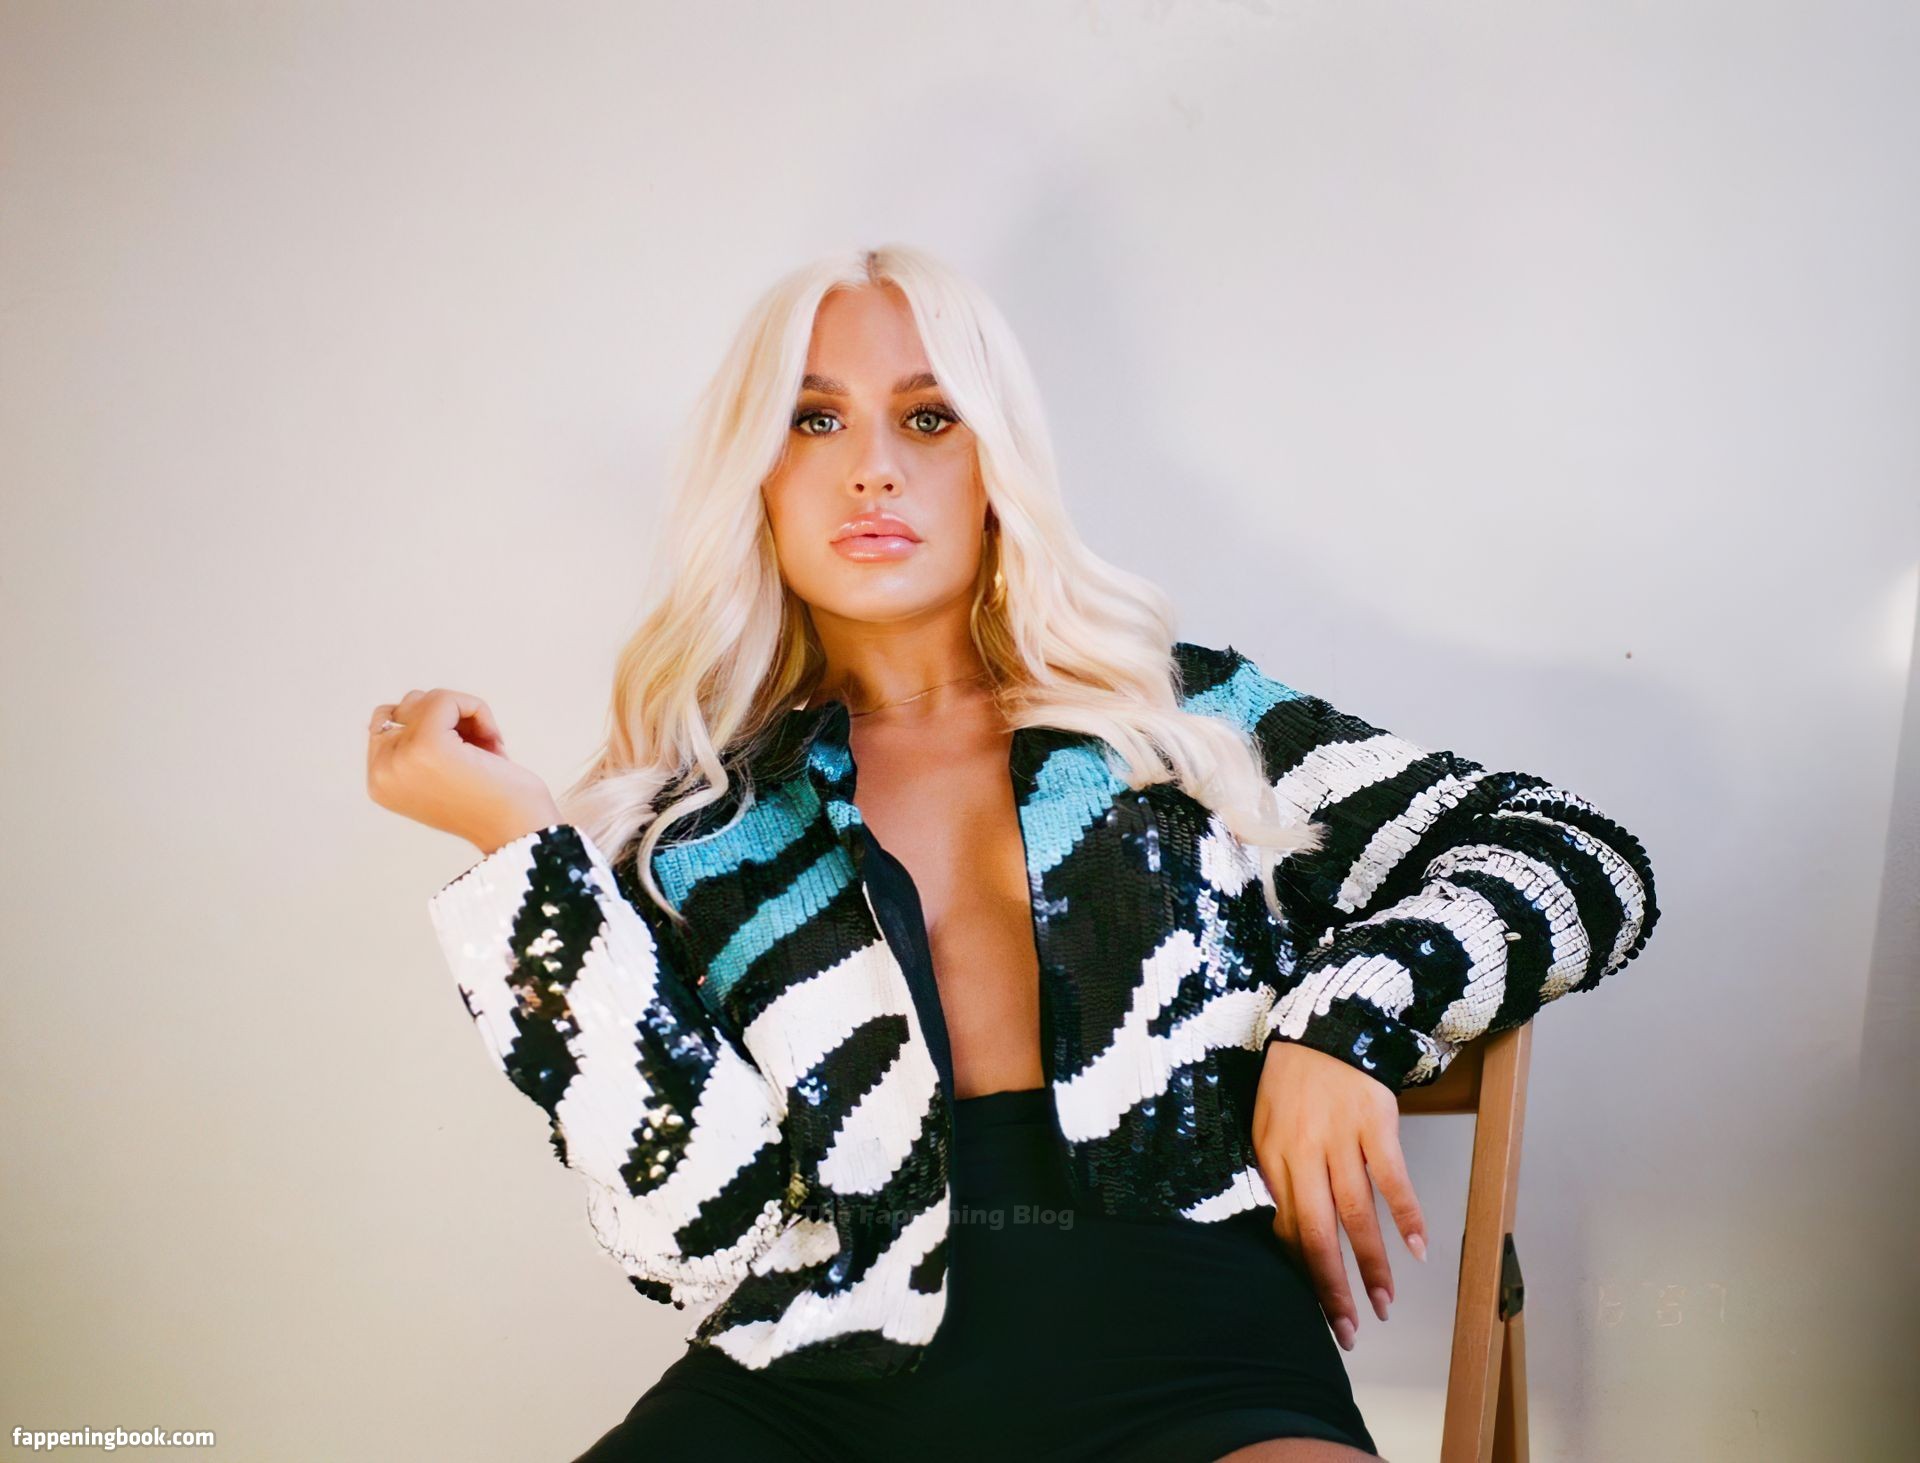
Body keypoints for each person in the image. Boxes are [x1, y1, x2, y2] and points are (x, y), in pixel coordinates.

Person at [366, 245, 1660, 1463]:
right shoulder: (697, 821)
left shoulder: (1176, 723)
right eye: (814, 421)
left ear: (997, 465)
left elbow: (1574, 854)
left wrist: (1344, 1027)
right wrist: (518, 846)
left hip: (1194, 1363)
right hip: (812, 1389)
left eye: (928, 418)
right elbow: (695, 1236)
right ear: (755, 476)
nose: (873, 469)